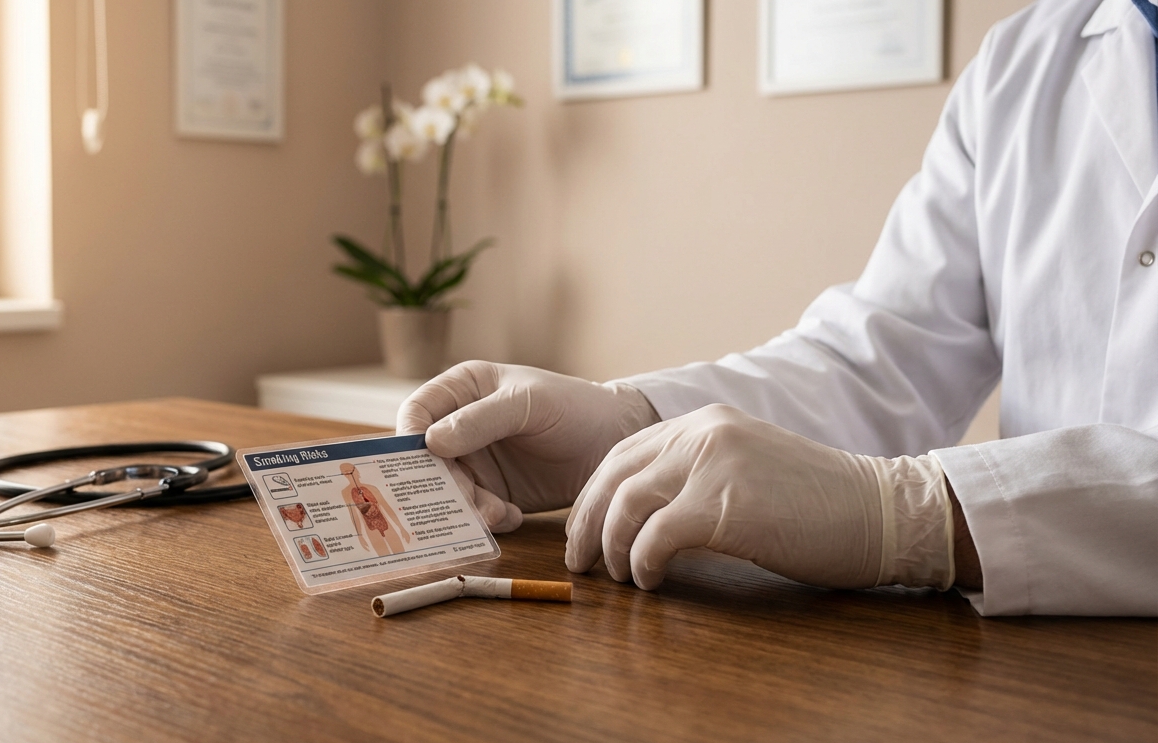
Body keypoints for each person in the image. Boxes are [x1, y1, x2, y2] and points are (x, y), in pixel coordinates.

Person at [398, 0, 1158, 617]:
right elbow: (881, 359)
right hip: (1035, 675)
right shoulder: (1026, 60)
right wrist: (629, 422)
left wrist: (915, 517)